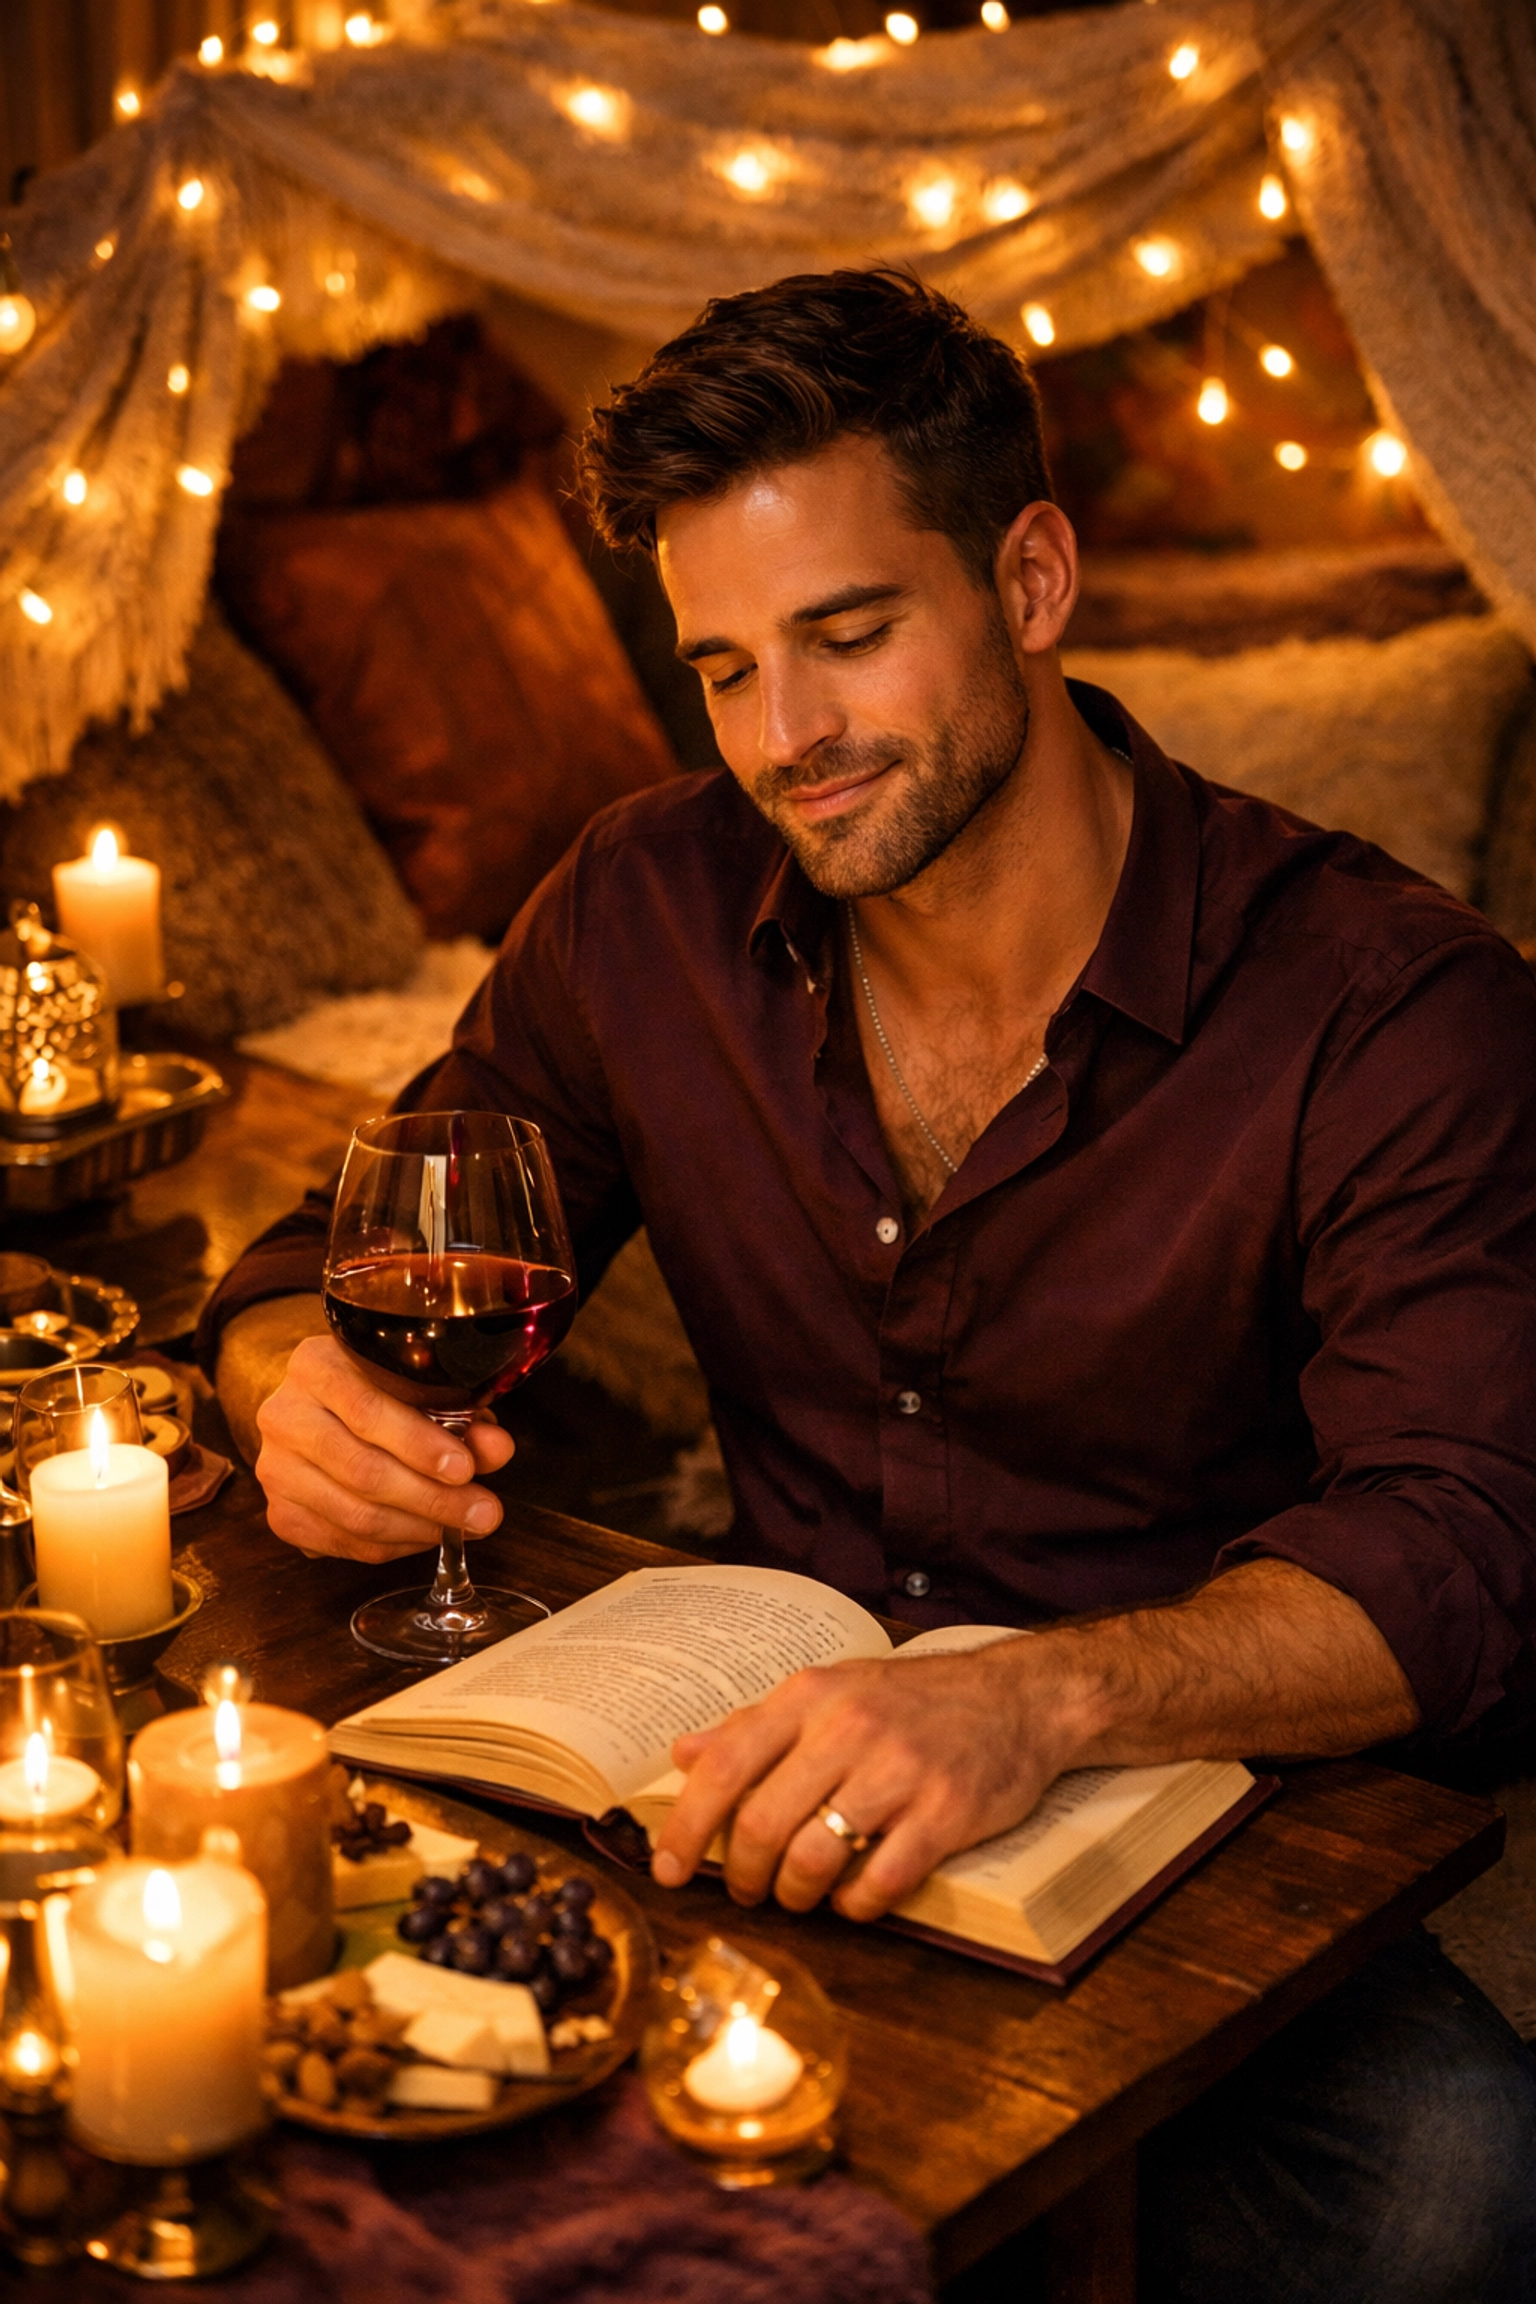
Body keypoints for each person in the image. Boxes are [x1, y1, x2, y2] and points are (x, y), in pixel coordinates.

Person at [201, 268, 1536, 2298]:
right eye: (725, 668)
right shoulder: (643, 903)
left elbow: (1469, 1550)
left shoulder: (1394, 1007)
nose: (787, 739)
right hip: (741, 1785)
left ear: (1030, 578)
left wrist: (1041, 1698)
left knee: (1460, 2183)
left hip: (1187, 1817)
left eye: (847, 636)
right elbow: (338, 1251)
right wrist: (298, 1385)